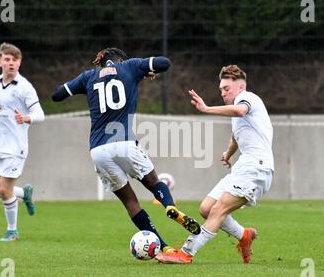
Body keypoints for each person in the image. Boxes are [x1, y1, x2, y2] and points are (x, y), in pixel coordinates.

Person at [52, 47, 201, 252]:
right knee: (153, 182)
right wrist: (147, 70)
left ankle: (164, 248)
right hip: (124, 143)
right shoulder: (129, 66)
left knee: (130, 201)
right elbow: (164, 62)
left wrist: (81, 86)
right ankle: (170, 206)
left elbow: (57, 95)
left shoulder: (88, 77)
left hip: (98, 150)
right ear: (120, 59)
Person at [156, 65, 274, 264]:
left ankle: (186, 253)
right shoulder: (238, 111)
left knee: (218, 209)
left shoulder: (248, 99)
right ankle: (244, 235)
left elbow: (239, 111)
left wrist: (206, 109)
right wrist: (228, 153)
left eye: (226, 88)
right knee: (206, 208)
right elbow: (236, 136)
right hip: (244, 166)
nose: (222, 93)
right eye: (221, 89)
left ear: (240, 87)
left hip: (257, 168)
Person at [0, 42, 45, 242]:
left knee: (5, 190)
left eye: (15, 60)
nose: (11, 63)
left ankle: (12, 231)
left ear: (19, 62)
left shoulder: (25, 87)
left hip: (16, 147)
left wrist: (26, 118)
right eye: (7, 59)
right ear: (0, 62)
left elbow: (40, 114)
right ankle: (24, 193)